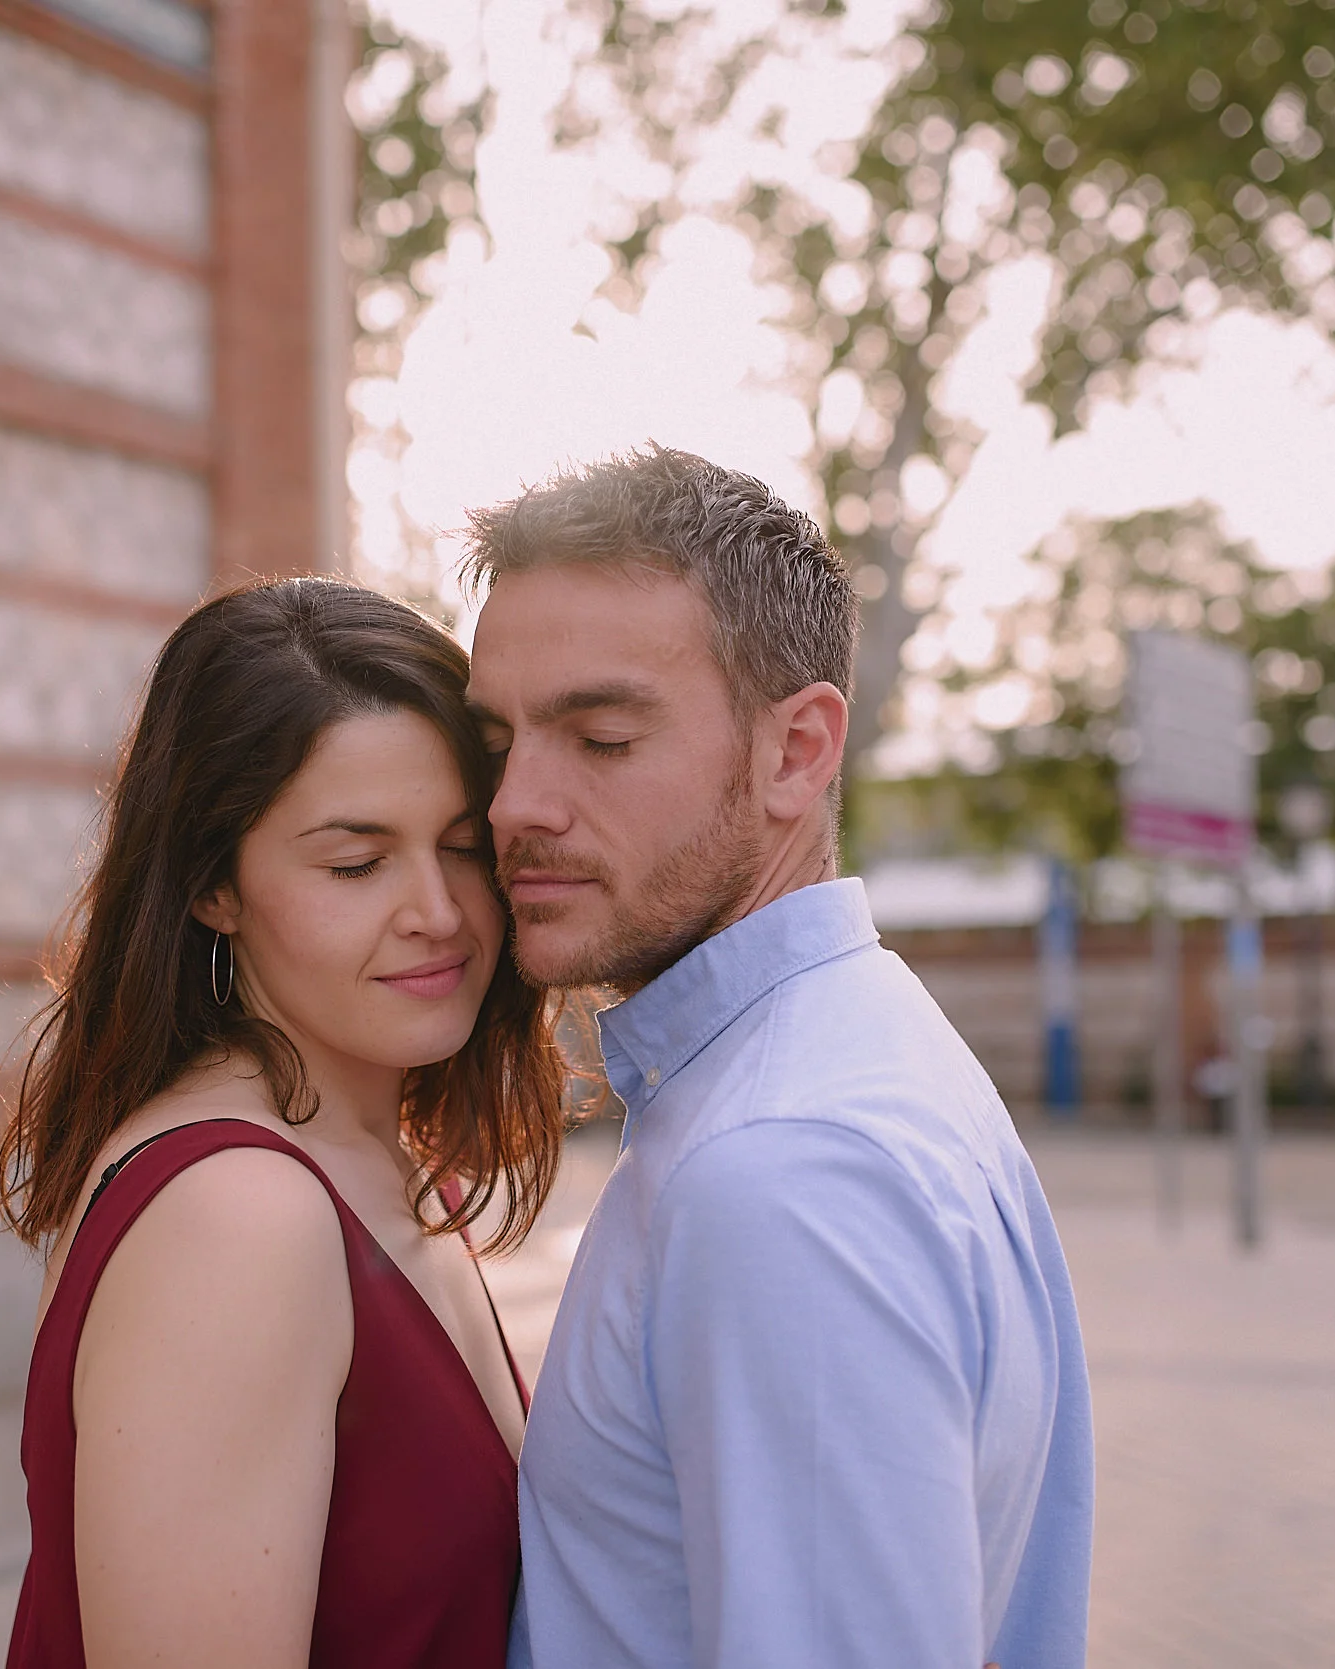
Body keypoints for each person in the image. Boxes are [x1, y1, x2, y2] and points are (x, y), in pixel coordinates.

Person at [466, 446, 1094, 1669]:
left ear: (796, 752)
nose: (510, 806)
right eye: (497, 740)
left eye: (598, 738)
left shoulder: (782, 1170)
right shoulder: (834, 1055)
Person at [0, 578, 564, 1669]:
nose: (436, 912)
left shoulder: (388, 1168)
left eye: (458, 845)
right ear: (213, 885)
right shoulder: (238, 1216)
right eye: (355, 862)